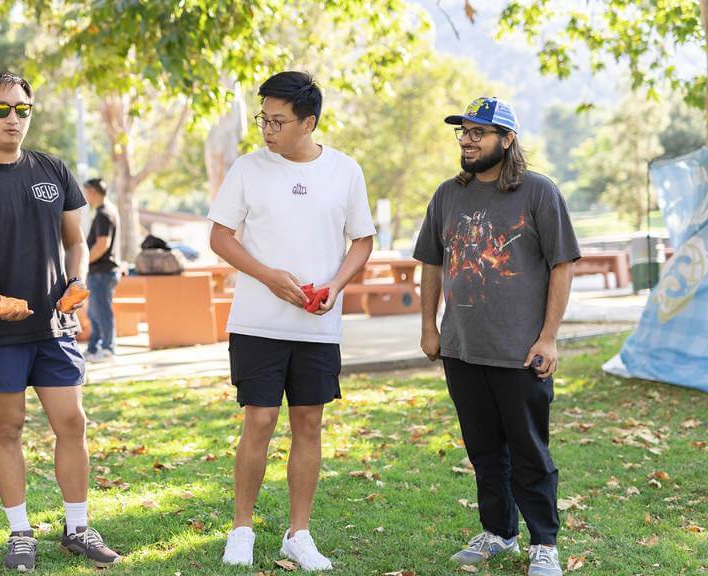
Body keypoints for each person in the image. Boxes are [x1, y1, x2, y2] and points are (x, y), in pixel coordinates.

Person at [0, 72, 120, 571]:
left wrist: (76, 282)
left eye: (23, 109)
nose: (14, 119)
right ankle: (20, 534)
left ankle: (77, 527)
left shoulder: (52, 170)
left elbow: (76, 241)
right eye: (2, 109)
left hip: (53, 327)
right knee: (8, 427)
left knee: (72, 422)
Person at [208, 71, 375, 571]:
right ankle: (242, 529)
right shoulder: (247, 169)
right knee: (258, 421)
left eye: (278, 121)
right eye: (264, 118)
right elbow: (220, 237)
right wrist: (269, 276)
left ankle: (298, 534)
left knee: (309, 424)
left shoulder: (345, 171)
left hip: (318, 325)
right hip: (258, 323)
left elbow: (362, 240)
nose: (267, 129)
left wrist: (337, 286)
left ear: (309, 122)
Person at [413, 96, 580, 576]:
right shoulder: (447, 194)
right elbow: (431, 264)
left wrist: (548, 338)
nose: (467, 139)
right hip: (463, 349)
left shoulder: (538, 192)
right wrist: (430, 325)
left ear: (507, 140)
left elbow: (562, 266)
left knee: (529, 452)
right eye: (463, 131)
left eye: (478, 132)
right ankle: (499, 532)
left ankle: (543, 543)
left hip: (520, 351)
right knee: (483, 449)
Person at [82, 178, 120, 362]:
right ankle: (94, 347)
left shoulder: (104, 213)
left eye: (86, 192)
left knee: (102, 310)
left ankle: (107, 349)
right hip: (98, 272)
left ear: (94, 192)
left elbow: (102, 244)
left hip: (102, 271)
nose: (85, 196)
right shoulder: (103, 212)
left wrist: (84, 262)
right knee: (94, 312)